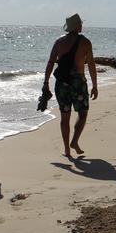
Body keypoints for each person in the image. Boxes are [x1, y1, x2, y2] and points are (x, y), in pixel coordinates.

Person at [42, 14, 98, 157]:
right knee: (83, 113)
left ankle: (67, 149)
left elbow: (50, 63)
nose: (82, 25)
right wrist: (95, 85)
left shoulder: (59, 42)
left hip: (62, 83)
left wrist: (46, 83)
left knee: (64, 117)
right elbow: (91, 64)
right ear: (78, 26)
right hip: (78, 82)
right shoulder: (85, 42)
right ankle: (74, 141)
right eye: (80, 23)